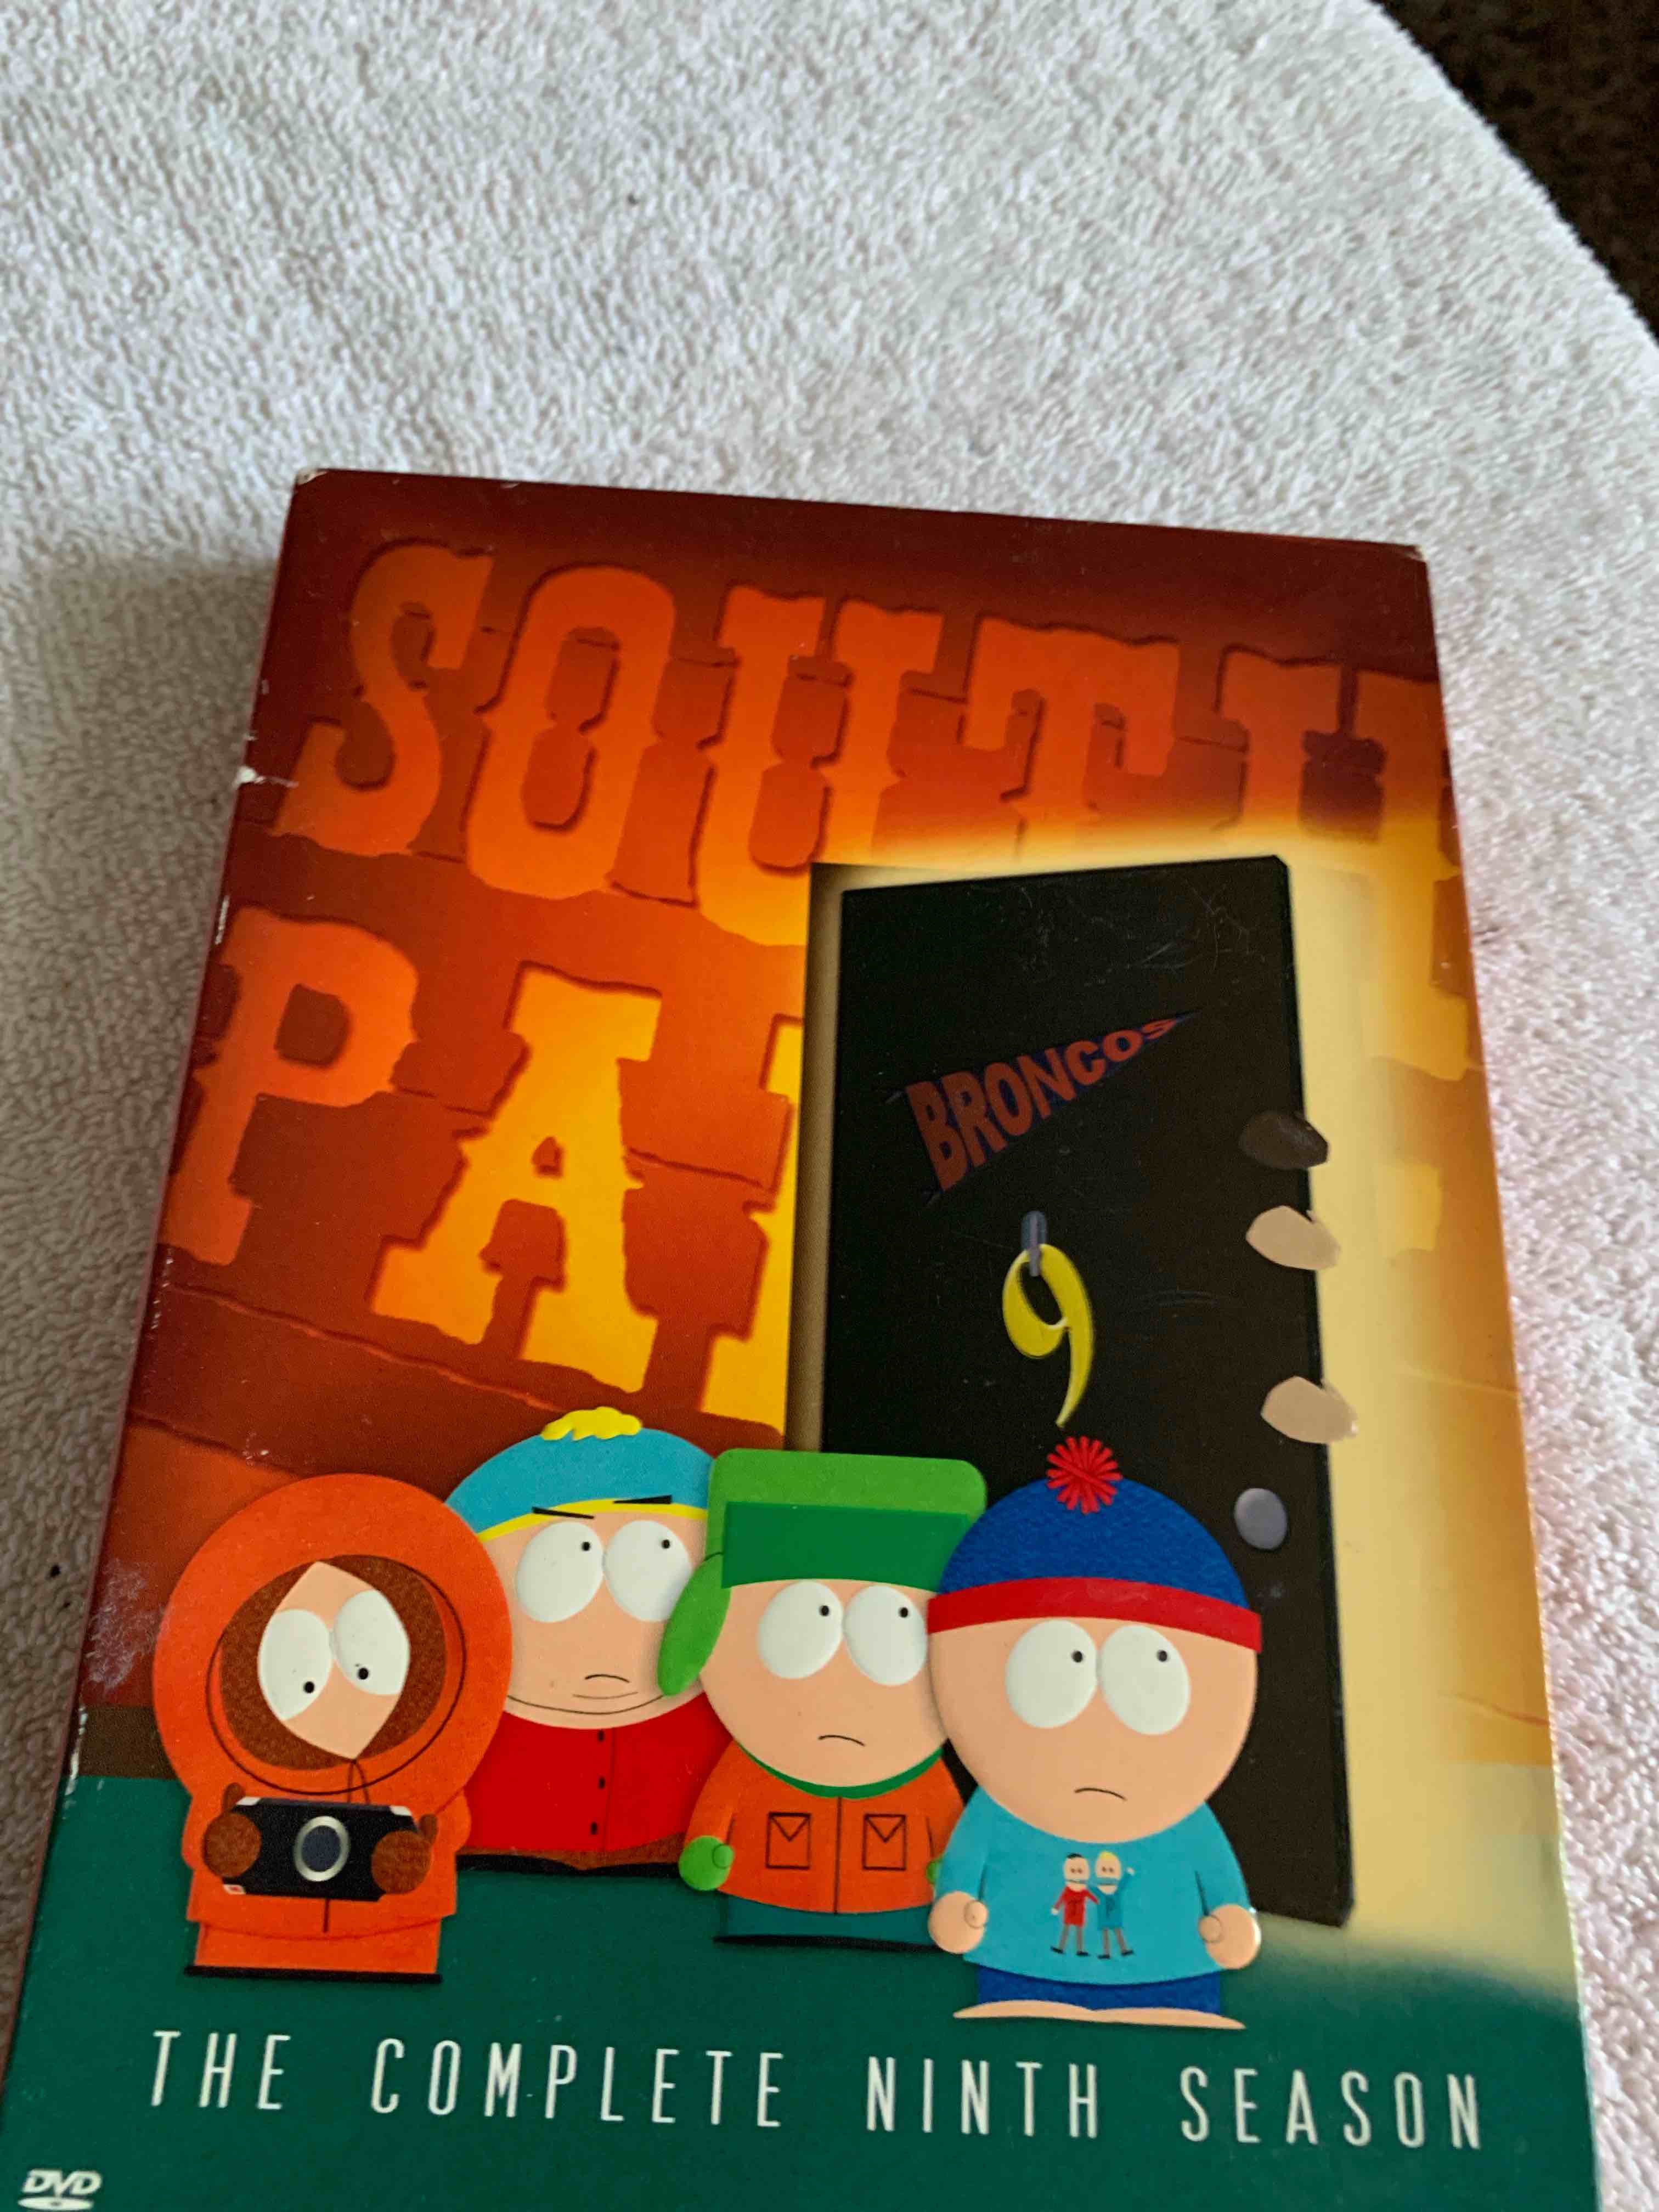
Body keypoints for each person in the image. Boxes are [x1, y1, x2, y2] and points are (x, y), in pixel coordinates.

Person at [927, 1434, 1261, 2025]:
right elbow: (968, 1858)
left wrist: (1231, 1913)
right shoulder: (1003, 1803)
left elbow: (1214, 1869)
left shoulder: (1181, 1812)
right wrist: (957, 1901)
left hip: (1170, 1969)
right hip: (1021, 1965)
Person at [152, 1473, 510, 1978]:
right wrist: (236, 1843)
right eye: (303, 1679)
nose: (339, 1694)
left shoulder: (428, 1770)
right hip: (250, 1931)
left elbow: (447, 1825)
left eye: (366, 1668)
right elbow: (202, 1839)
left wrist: (409, 1855)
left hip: (392, 1934)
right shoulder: (233, 1779)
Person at [661, 1447, 984, 1945]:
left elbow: (939, 1811)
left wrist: (948, 1863)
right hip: (761, 1904)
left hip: (897, 1907)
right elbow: (723, 1799)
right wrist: (707, 1841)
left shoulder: (917, 1770)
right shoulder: (756, 1755)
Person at [446, 1407, 729, 1870]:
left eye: (650, 1568)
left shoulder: (724, 1721)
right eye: (557, 1574)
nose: (606, 1624)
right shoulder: (470, 1729)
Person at [1052, 1852, 1096, 1954]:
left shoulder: (1083, 1890)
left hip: (1079, 1913)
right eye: (1073, 1871)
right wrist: (1057, 1907)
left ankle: (1079, 1950)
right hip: (1069, 1912)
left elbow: (1092, 1897)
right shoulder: (1069, 1889)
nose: (1076, 1873)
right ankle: (1062, 1948)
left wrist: (1099, 1902)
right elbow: (1062, 1899)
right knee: (1067, 1930)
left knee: (1078, 1931)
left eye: (1080, 1871)